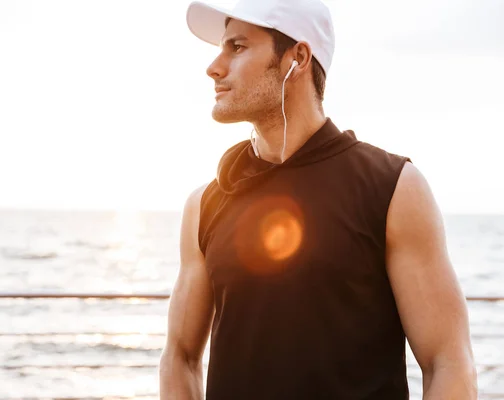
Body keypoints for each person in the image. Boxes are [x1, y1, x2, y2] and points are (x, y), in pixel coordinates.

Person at [159, 0, 477, 398]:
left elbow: (447, 360)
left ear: (298, 57)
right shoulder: (204, 203)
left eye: (237, 47)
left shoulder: (393, 187)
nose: (214, 66)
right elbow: (180, 355)